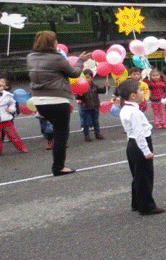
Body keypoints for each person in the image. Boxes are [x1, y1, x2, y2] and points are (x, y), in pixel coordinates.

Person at [27, 31, 90, 175]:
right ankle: (59, 167)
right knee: (61, 134)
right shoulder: (56, 58)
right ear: (52, 43)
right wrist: (80, 61)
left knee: (57, 130)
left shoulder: (30, 57)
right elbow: (74, 73)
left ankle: (58, 164)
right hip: (56, 99)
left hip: (38, 101)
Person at [119, 79, 163, 216]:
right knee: (145, 176)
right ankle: (147, 206)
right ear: (133, 96)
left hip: (132, 144)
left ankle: (137, 203)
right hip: (140, 144)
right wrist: (146, 151)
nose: (143, 92)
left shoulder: (126, 109)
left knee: (137, 175)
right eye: (140, 91)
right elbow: (139, 134)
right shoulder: (135, 112)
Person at [76, 69, 107, 141]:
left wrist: (106, 87)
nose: (86, 79)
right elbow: (78, 97)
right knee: (86, 122)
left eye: (87, 77)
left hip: (95, 106)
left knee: (95, 121)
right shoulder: (81, 86)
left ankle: (97, 133)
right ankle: (86, 135)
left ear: (91, 78)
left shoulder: (95, 86)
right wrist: (79, 94)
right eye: (84, 77)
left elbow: (102, 90)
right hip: (86, 107)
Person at [0, 78, 27, 155]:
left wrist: (11, 110)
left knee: (13, 135)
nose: (0, 88)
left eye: (1, 86)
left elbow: (13, 103)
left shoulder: (8, 95)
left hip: (6, 118)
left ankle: (21, 147)